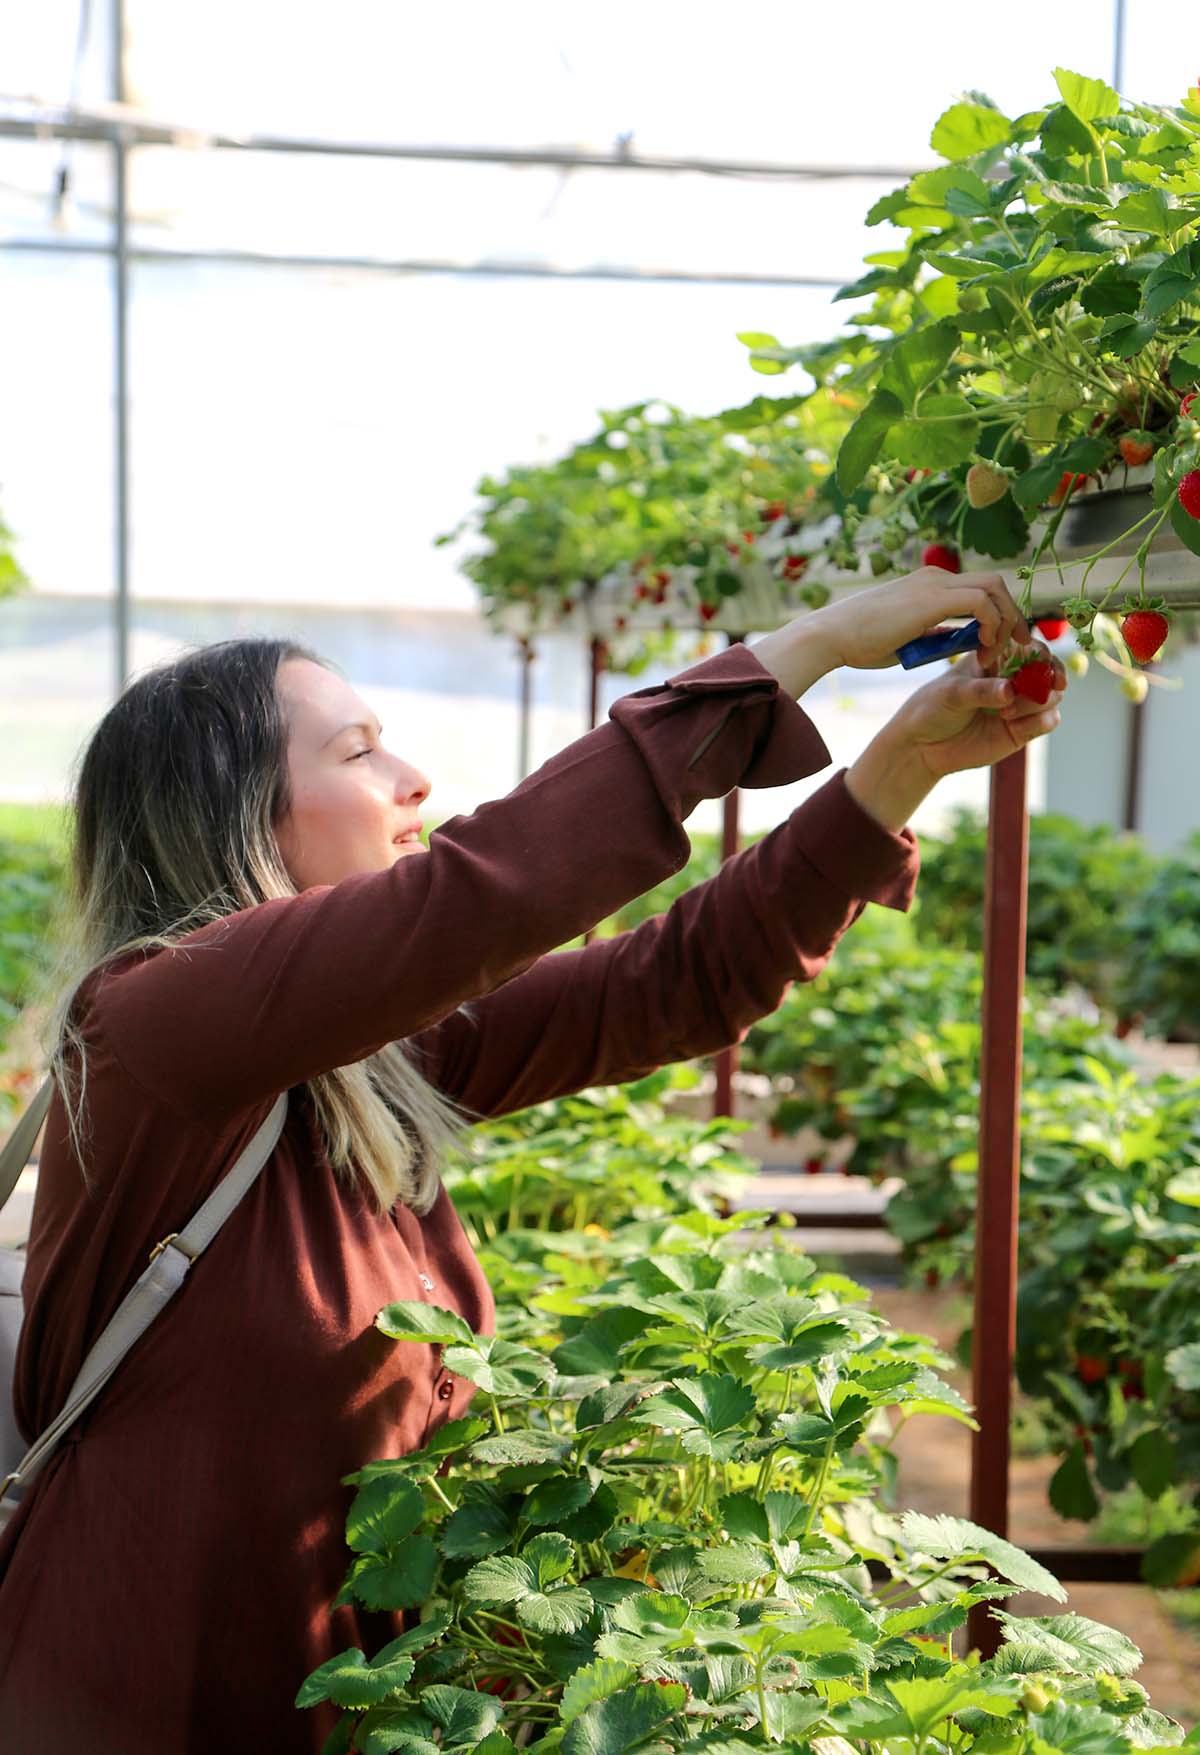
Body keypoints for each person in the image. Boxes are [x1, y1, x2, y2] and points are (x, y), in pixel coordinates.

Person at [0, 569, 1063, 1751]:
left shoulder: (356, 1059)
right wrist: (802, 646)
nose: (415, 784)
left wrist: (898, 769)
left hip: (339, 1696)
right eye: (359, 755)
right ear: (238, 813)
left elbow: (669, 984)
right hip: (143, 1694)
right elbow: (482, 895)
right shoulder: (154, 1025)